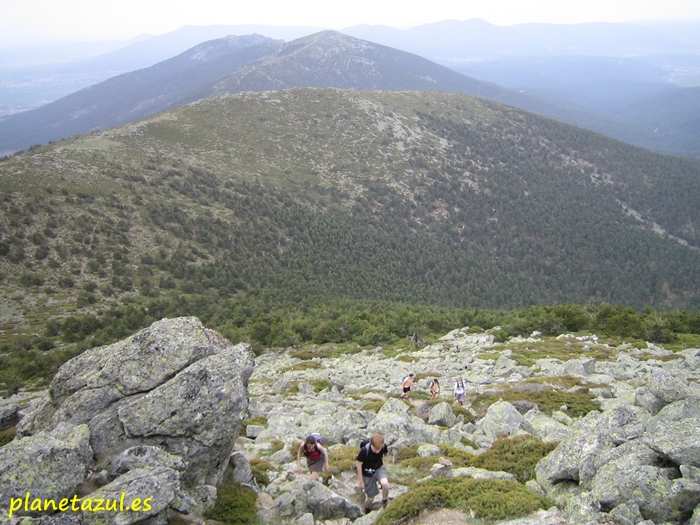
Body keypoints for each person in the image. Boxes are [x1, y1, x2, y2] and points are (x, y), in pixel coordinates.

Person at [356, 434, 389, 513]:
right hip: (367, 473)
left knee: (385, 484)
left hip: (378, 468)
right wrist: (361, 481)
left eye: (379, 449)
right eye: (375, 449)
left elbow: (382, 456)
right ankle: (366, 508)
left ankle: (384, 500)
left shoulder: (383, 447)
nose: (377, 451)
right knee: (371, 498)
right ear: (371, 444)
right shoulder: (364, 451)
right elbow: (359, 465)